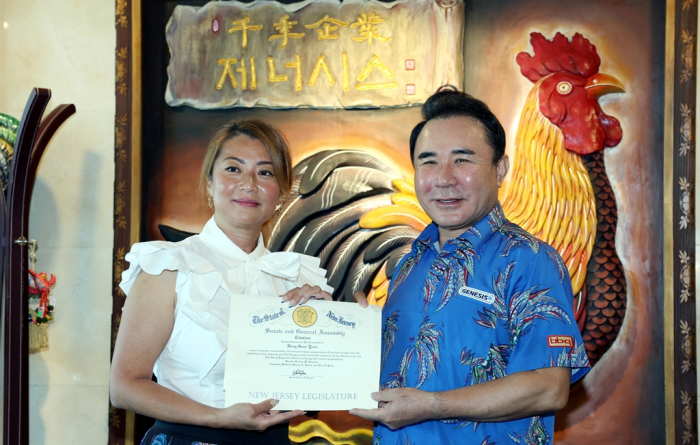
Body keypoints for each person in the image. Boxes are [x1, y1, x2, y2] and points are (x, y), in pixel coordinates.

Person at [350, 88, 590, 444]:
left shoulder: (529, 259)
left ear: (500, 168)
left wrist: (431, 405)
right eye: (428, 161)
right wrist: (337, 328)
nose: (444, 178)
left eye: (462, 159)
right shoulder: (410, 265)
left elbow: (548, 388)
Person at [110, 118, 333, 445]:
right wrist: (217, 418)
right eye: (233, 169)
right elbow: (125, 387)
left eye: (265, 172)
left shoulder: (297, 278)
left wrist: (324, 334)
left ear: (281, 194)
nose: (249, 183)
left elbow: (311, 400)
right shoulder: (169, 266)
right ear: (209, 183)